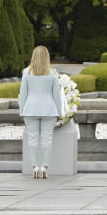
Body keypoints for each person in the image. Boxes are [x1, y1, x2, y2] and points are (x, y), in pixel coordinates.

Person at [19, 46, 64, 179]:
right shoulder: (52, 74)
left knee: (32, 139)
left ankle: (34, 167)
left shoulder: (26, 73)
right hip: (49, 109)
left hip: (30, 109)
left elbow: (23, 94)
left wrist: (21, 111)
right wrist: (59, 112)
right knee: (46, 139)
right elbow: (57, 95)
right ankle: (44, 166)